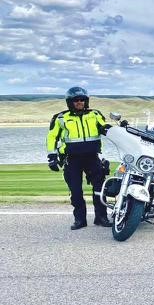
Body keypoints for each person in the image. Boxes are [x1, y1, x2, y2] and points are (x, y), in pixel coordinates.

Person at [45, 86, 112, 229]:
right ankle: (80, 220)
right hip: (72, 159)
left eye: (82, 99)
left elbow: (105, 127)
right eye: (76, 100)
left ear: (86, 101)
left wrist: (119, 130)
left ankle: (101, 218)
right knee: (76, 191)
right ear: (70, 102)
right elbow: (52, 137)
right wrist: (52, 156)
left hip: (93, 158)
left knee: (99, 189)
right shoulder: (61, 118)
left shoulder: (95, 114)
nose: (79, 102)